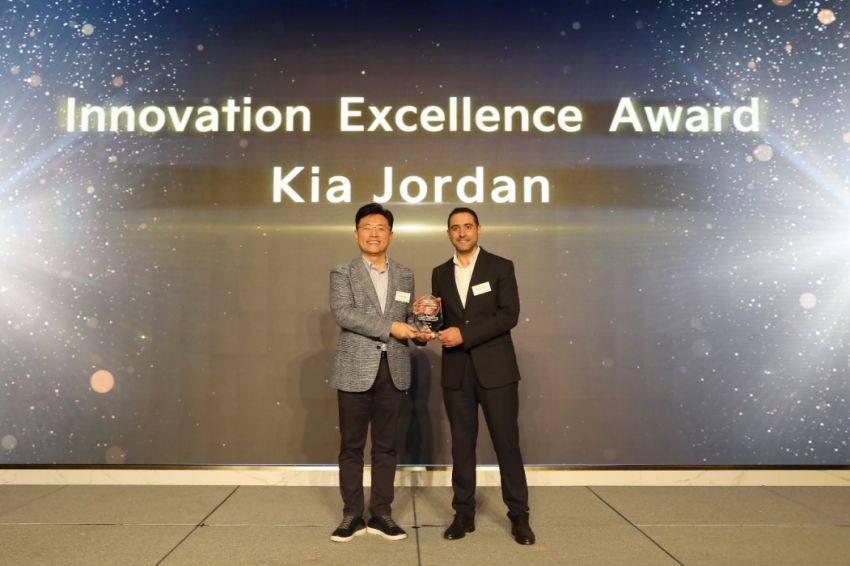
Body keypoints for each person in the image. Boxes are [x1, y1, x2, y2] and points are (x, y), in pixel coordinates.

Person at [419, 207, 535, 545]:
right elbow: (443, 320)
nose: (462, 232)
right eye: (455, 228)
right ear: (448, 233)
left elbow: (509, 315)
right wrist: (426, 326)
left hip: (497, 371)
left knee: (506, 444)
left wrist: (464, 335)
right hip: (457, 373)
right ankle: (463, 514)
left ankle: (519, 516)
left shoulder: (500, 266)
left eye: (467, 226)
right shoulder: (440, 272)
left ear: (478, 230)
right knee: (462, 446)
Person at [328, 202, 420, 542]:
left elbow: (408, 319)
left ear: (390, 235)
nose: (374, 233)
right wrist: (392, 327)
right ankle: (352, 515)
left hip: (394, 369)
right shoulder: (343, 272)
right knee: (351, 447)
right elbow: (344, 313)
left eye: (381, 228)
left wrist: (420, 327)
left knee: (386, 447)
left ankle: (381, 513)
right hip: (355, 369)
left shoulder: (405, 274)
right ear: (356, 234)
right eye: (367, 227)